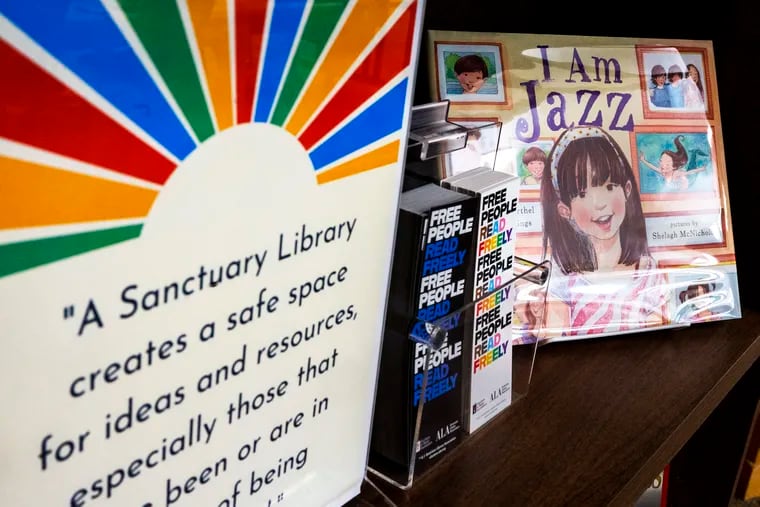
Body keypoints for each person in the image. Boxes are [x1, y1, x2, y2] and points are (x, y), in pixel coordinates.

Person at [540, 126, 669, 337]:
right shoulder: (560, 277)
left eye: (609, 186)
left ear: (626, 190)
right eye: (582, 194)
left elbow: (660, 332)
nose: (599, 204)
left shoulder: (648, 272)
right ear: (565, 210)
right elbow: (554, 337)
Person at [639, 135, 706, 192]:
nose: (663, 166)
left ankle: (695, 152)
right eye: (661, 161)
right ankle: (694, 152)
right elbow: (652, 167)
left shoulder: (676, 173)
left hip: (690, 180)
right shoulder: (663, 172)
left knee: (692, 165)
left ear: (674, 167)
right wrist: (643, 160)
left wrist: (701, 169)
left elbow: (690, 172)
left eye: (667, 164)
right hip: (681, 185)